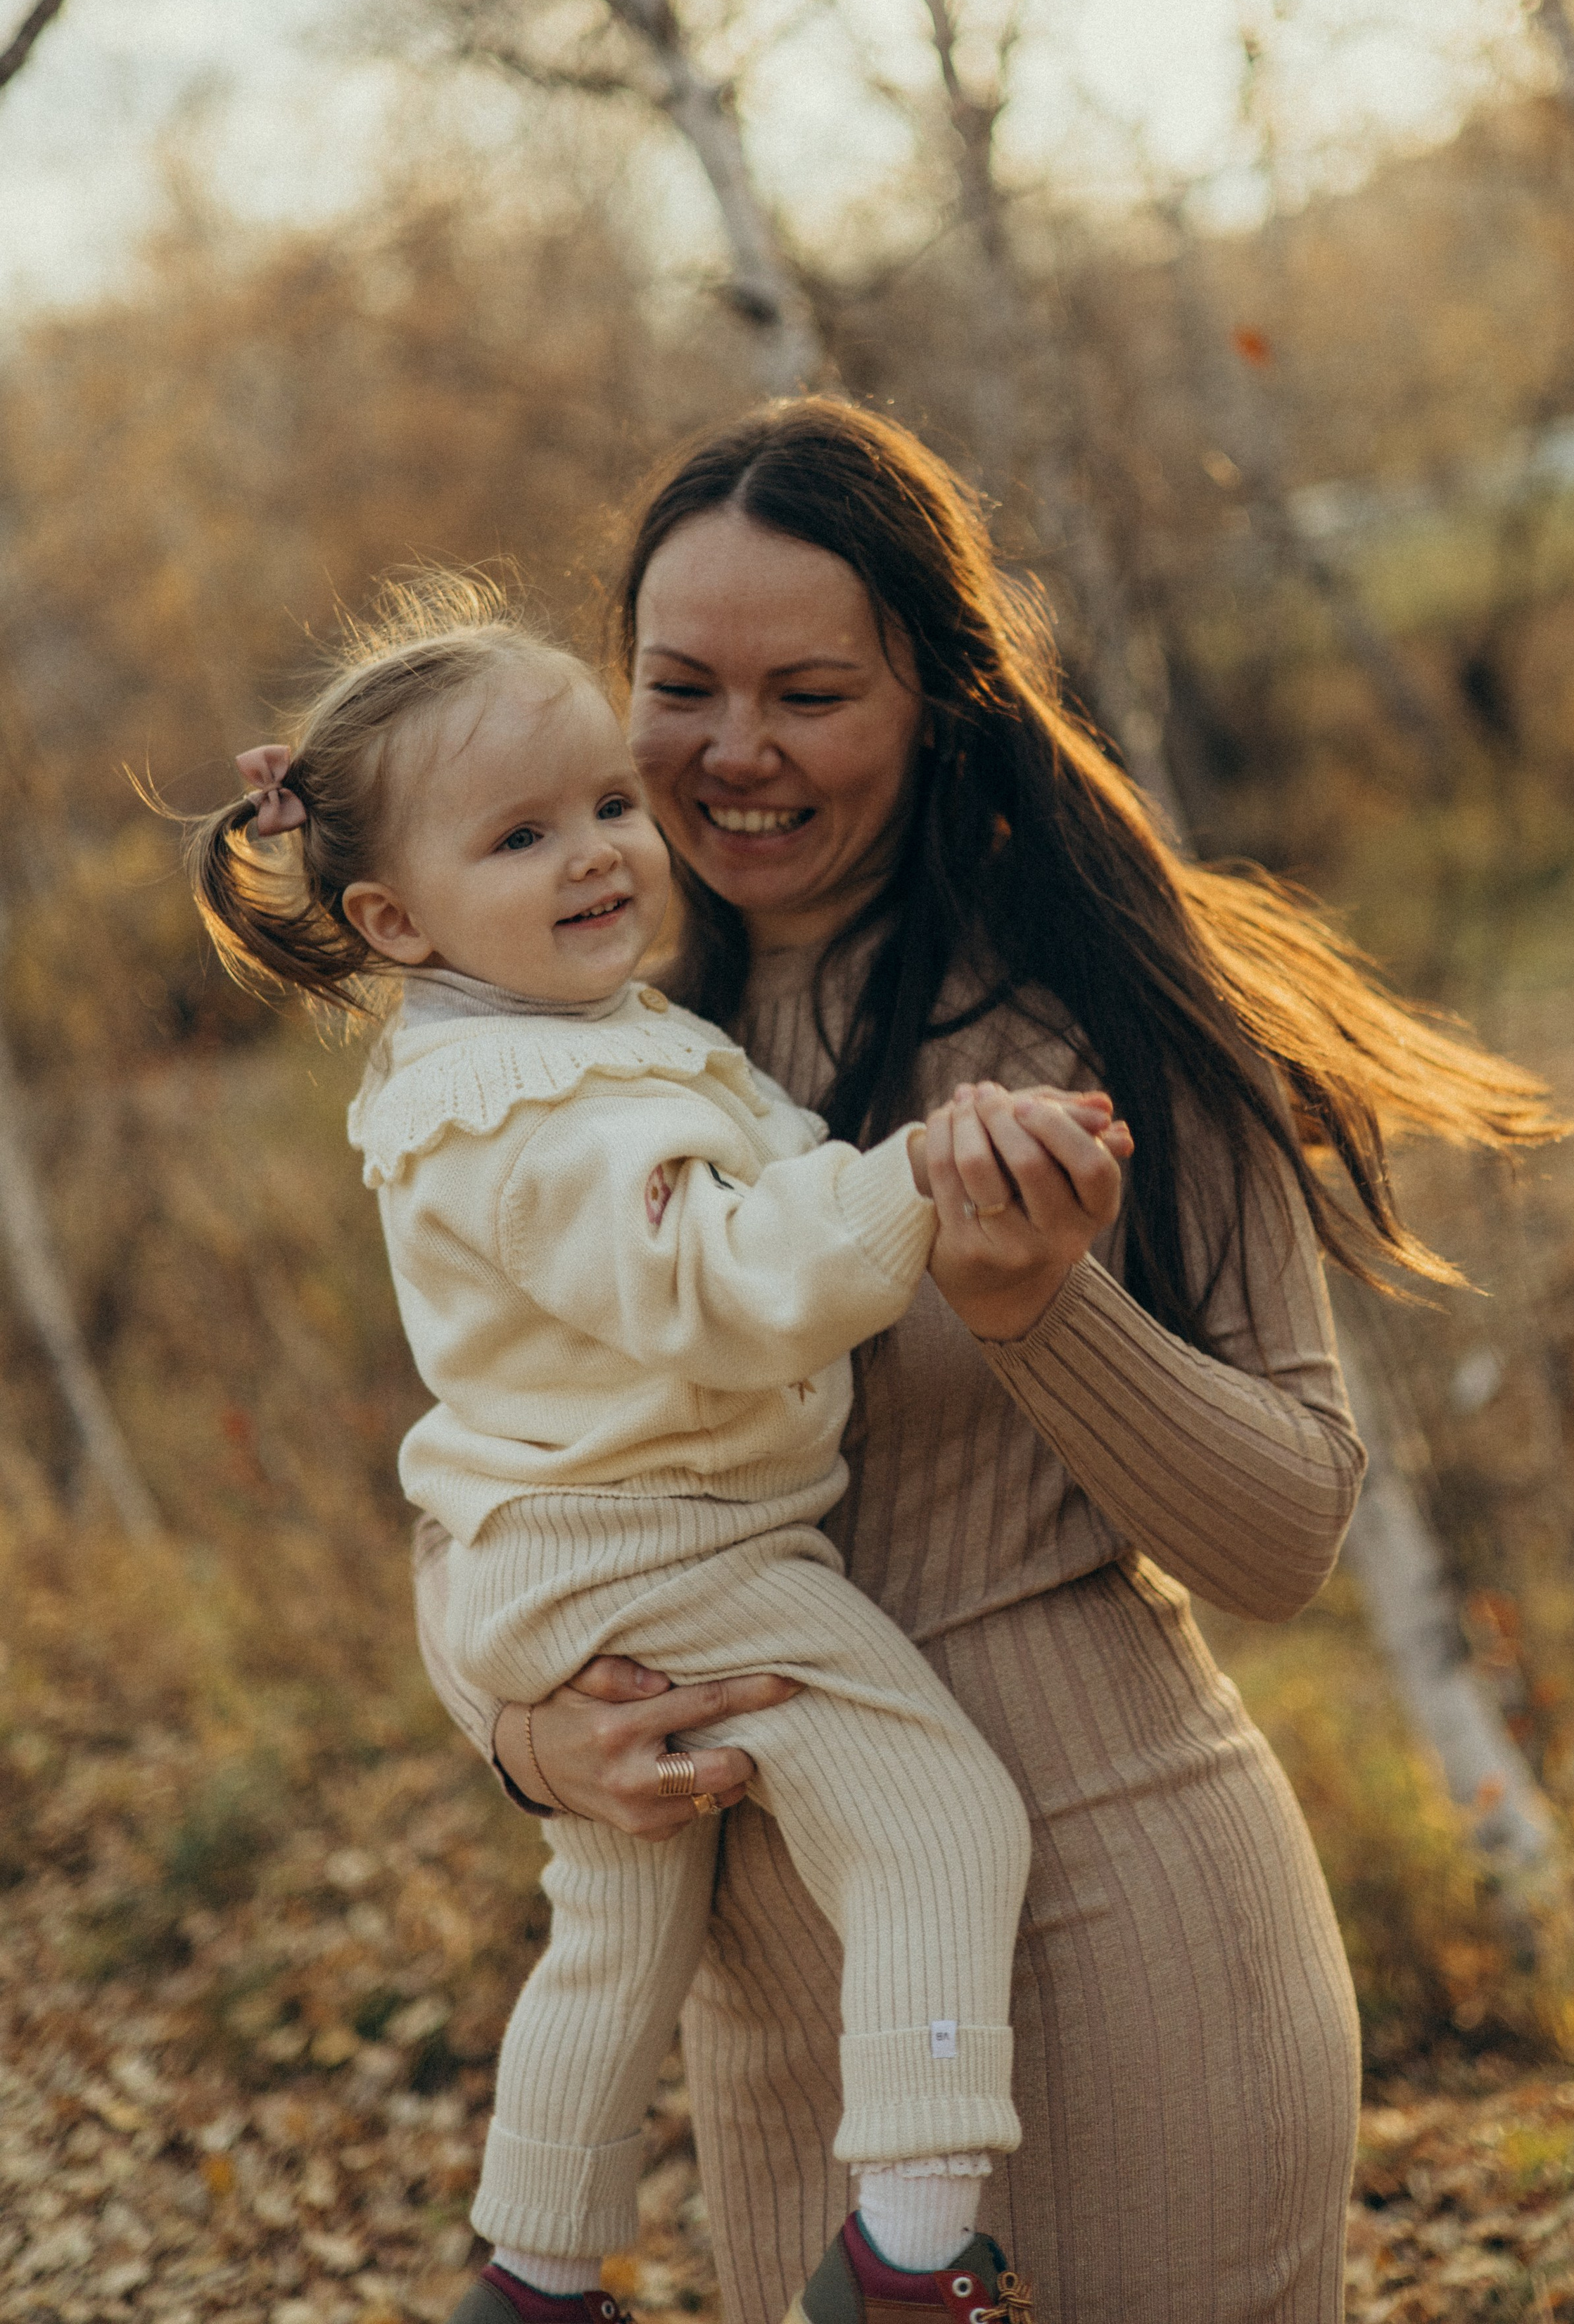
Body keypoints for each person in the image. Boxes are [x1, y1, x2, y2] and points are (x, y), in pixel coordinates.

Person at [413, 400, 1560, 2324]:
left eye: (810, 693)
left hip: (1113, 1950)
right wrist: (520, 1731)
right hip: (779, 2022)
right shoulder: (572, 1051)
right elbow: (490, 1471)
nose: (734, 754)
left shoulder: (1091, 1020)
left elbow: (1288, 1537)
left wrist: (1046, 1314)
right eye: (680, 687)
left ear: (935, 699)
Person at [185, 578, 1131, 2324]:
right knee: (938, 1825)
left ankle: (534, 2277)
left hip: (573, 1559)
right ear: (397, 921)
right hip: (666, 1555)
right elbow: (718, 1277)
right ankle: (913, 2256)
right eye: (524, 834)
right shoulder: (521, 1116)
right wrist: (917, 1180)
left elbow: (760, 1158)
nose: (598, 852)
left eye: (608, 804)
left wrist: (911, 1158)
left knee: (620, 1929)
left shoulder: (574, 1042)